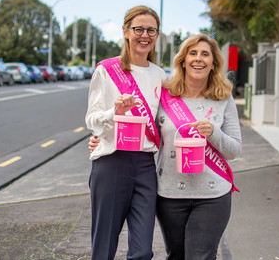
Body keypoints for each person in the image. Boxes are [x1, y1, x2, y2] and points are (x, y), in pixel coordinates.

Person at [89, 34, 242, 260]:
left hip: (212, 193)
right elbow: (141, 128)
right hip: (170, 195)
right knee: (176, 255)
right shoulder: (165, 94)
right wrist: (102, 137)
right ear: (182, 60)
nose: (198, 59)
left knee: (200, 256)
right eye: (193, 53)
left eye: (205, 54)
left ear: (213, 63)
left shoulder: (224, 99)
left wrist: (214, 134)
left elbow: (235, 149)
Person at [85, 5, 166, 260]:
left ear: (157, 34)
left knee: (143, 250)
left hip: (144, 165)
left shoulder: (160, 75)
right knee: (104, 246)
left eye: (151, 30)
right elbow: (92, 119)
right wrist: (114, 111)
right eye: (138, 29)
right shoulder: (106, 70)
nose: (145, 35)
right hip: (112, 161)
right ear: (125, 32)